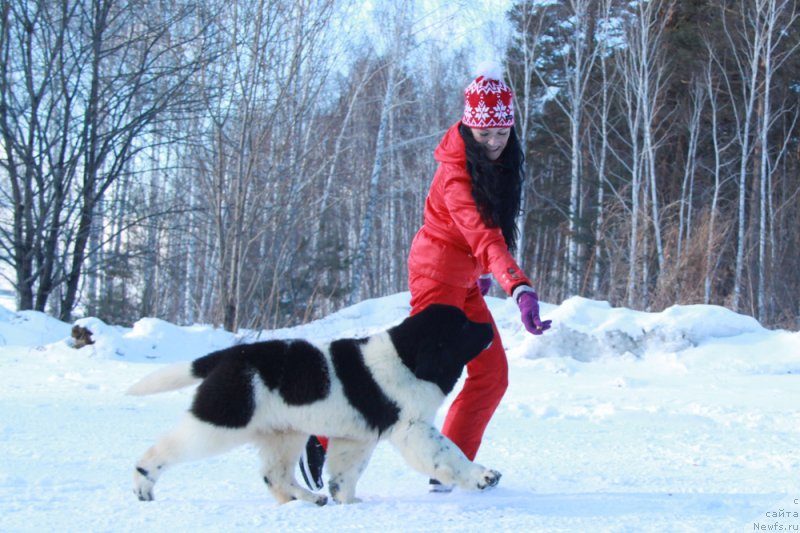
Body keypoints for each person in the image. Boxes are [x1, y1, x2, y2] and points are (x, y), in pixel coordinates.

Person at [300, 62, 551, 492]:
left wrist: (481, 273)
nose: (493, 142)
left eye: (501, 133)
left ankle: (448, 467)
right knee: (402, 379)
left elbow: (480, 240)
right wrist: (519, 286)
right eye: (484, 133)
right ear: (469, 127)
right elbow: (484, 235)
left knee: (492, 376)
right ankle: (319, 437)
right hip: (436, 278)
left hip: (466, 280)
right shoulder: (456, 173)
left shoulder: (502, 161)